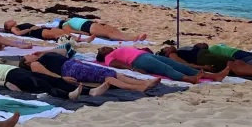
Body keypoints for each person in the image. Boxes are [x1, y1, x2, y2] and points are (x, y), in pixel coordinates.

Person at [22, 49, 160, 93]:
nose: (28, 54)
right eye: (25, 56)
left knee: (111, 73)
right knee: (106, 76)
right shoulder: (35, 64)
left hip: (73, 63)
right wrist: (62, 79)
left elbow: (64, 51)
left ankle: (144, 82)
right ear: (26, 62)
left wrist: (43, 51)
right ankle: (139, 87)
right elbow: (48, 75)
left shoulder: (42, 56)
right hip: (69, 69)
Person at [95, 45, 229, 84]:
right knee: (166, 68)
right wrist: (133, 68)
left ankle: (213, 76)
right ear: (103, 55)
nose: (105, 47)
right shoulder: (109, 57)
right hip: (139, 60)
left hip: (145, 55)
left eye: (104, 47)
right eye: (102, 49)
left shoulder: (117, 49)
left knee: (176, 65)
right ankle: (187, 79)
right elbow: (114, 64)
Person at [0, 60, 82, 99]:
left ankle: (90, 91)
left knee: (51, 79)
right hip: (10, 76)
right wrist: (5, 83)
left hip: (17, 71)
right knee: (42, 85)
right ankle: (68, 95)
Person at [52, 16, 147, 42]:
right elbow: (70, 31)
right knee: (108, 33)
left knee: (112, 29)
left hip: (90, 24)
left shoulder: (71, 19)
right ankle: (132, 38)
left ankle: (129, 37)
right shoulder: (65, 24)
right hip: (87, 27)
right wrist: (83, 33)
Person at [2, 21, 85, 42]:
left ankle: (79, 39)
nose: (11, 20)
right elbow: (18, 33)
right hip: (36, 32)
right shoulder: (13, 28)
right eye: (8, 21)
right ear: (8, 27)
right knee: (56, 35)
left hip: (40, 29)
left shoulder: (18, 26)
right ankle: (75, 40)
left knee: (61, 31)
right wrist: (29, 29)